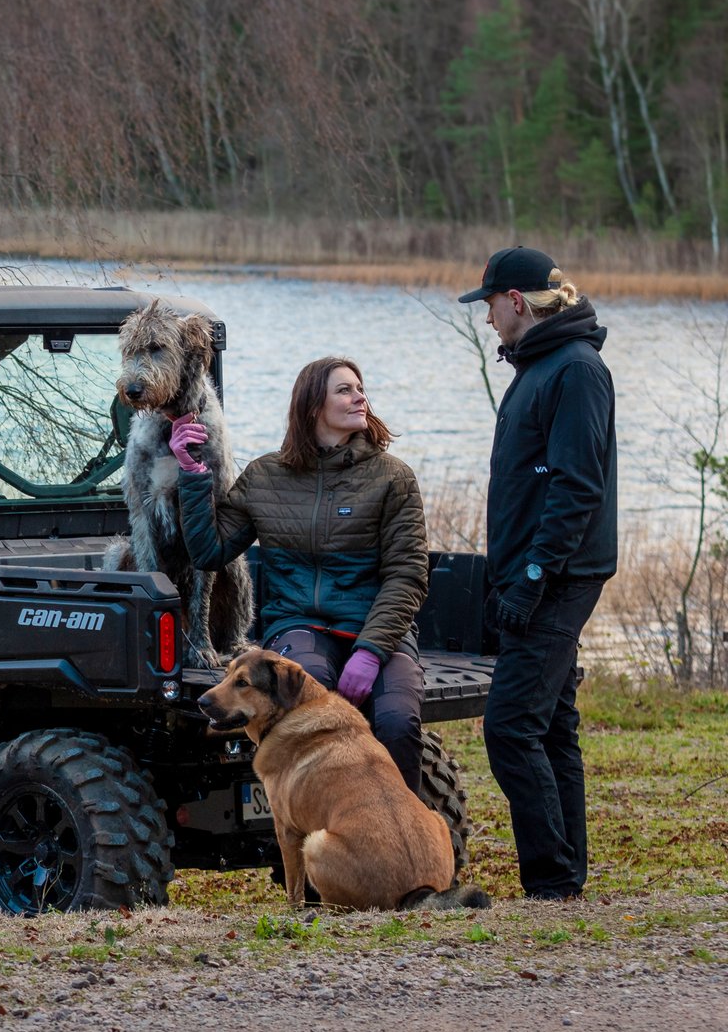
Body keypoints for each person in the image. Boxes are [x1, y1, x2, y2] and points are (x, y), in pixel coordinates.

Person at [171, 357, 429, 792]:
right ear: (312, 406)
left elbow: (408, 575)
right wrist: (193, 473)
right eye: (345, 390)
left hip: (378, 630)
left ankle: (398, 839)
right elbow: (208, 551)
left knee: (397, 723)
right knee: (304, 713)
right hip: (300, 625)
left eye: (359, 388)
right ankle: (302, 842)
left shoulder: (393, 477)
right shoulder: (266, 475)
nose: (359, 396)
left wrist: (369, 652)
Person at [459, 246, 617, 900]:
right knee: (551, 725)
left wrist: (532, 574)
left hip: (558, 576)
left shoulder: (576, 370)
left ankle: (551, 882)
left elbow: (577, 487)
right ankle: (564, 879)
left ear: (516, 301)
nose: (487, 318)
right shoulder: (541, 364)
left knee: (510, 726)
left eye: (490, 304)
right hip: (542, 571)